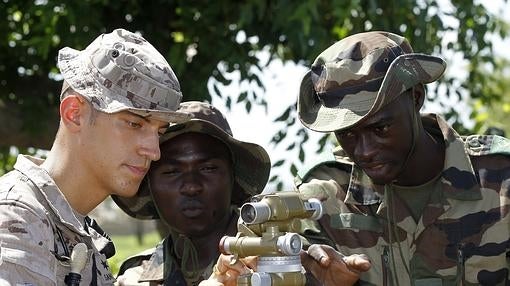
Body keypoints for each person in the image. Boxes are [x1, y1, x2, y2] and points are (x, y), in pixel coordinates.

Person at [294, 31, 510, 285]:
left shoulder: (501, 181)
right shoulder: (322, 201)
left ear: (416, 97)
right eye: (347, 134)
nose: (364, 151)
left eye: (380, 128)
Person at [0, 28, 190, 285]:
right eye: (135, 124)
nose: (154, 151)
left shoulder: (78, 232)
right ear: (74, 114)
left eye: (159, 131)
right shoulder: (15, 215)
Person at [113, 101, 272, 285]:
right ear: (149, 185)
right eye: (172, 172)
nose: (191, 186)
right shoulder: (133, 278)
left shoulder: (277, 263)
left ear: (232, 177)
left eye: (208, 168)